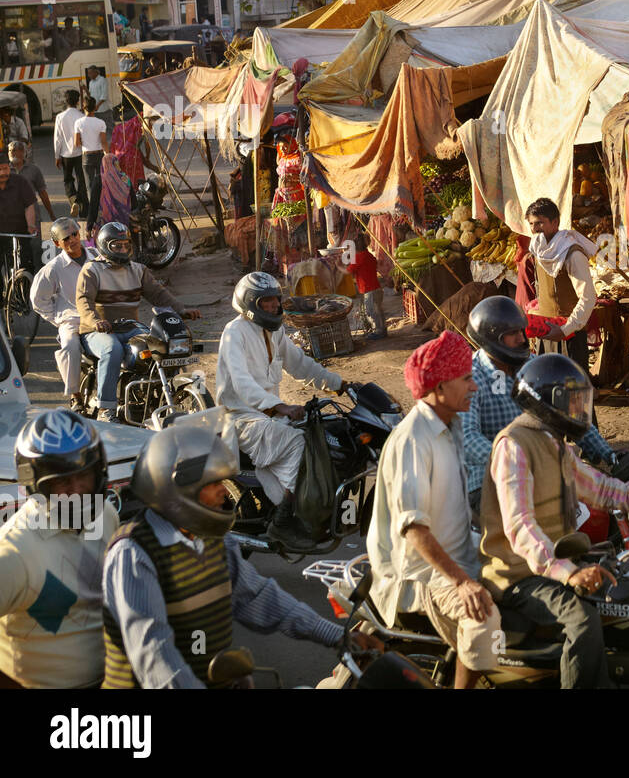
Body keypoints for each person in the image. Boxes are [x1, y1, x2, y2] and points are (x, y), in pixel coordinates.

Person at [479, 353, 629, 688]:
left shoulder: (555, 444)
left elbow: (602, 488)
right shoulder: (514, 446)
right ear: (547, 402)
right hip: (518, 574)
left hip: (554, 561)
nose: (578, 410)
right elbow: (520, 527)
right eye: (572, 401)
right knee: (582, 619)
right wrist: (569, 573)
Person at [101, 424, 368, 688]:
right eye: (213, 483)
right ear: (177, 491)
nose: (224, 492)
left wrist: (340, 636)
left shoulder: (212, 538)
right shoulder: (134, 553)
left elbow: (258, 597)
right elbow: (154, 656)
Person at [368, 332, 501, 689]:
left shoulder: (449, 426)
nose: (474, 387)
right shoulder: (414, 438)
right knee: (483, 616)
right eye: (467, 379)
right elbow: (414, 531)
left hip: (456, 552)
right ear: (439, 388)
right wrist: (462, 582)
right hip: (419, 573)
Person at [215, 272, 357, 552]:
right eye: (265, 302)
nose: (272, 307)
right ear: (250, 304)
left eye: (275, 301)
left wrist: (341, 384)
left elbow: (300, 365)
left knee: (325, 433)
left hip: (272, 415)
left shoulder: (276, 331)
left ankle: (315, 507)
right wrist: (279, 406)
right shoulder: (235, 332)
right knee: (297, 444)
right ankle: (283, 520)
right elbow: (242, 383)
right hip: (242, 418)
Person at [463, 296, 629, 515]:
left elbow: (570, 415)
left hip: (540, 472)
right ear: (491, 339)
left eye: (522, 331)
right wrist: (515, 461)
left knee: (599, 515)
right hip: (489, 483)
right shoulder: (470, 377)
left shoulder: (532, 365)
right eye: (513, 334)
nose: (522, 338)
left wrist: (609, 455)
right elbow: (467, 437)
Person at [0, 410, 119, 688]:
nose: (77, 490)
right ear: (35, 484)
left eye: (84, 476)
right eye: (62, 482)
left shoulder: (106, 515)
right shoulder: (14, 552)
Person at [76, 222, 198, 422]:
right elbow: (83, 301)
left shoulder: (138, 270)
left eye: (126, 245)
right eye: (117, 246)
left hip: (131, 327)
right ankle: (107, 410)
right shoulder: (92, 270)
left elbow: (159, 294)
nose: (123, 250)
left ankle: (156, 396)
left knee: (161, 344)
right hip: (97, 331)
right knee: (112, 349)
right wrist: (96, 321)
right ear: (104, 246)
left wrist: (182, 309)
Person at [31, 218, 97, 411]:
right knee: (69, 347)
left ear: (80, 233)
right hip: (72, 320)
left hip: (100, 316)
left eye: (75, 234)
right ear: (57, 243)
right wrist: (58, 319)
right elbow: (38, 300)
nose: (72, 240)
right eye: (66, 238)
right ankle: (76, 396)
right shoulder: (54, 268)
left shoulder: (97, 257)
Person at [525, 197, 597, 373]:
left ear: (555, 222)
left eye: (540, 223)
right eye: (532, 224)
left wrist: (565, 329)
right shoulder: (538, 249)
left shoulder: (572, 253)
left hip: (569, 334)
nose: (535, 229)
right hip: (547, 331)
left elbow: (588, 297)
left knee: (573, 395)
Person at [73, 96, 107, 229]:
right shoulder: (101, 122)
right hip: (99, 155)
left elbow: (76, 143)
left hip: (86, 157)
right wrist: (108, 155)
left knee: (89, 186)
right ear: (95, 107)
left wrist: (85, 142)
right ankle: (102, 208)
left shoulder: (78, 123)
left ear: (83, 107)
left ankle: (93, 214)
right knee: (101, 183)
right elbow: (104, 142)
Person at [0, 157, 38, 275]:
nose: (3, 173)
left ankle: (26, 288)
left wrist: (31, 225)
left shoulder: (20, 181)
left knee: (26, 265)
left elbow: (29, 206)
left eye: (5, 169)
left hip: (19, 233)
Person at [346, 231, 386, 340]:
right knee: (378, 310)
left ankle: (378, 331)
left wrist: (338, 265)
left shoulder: (359, 257)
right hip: (376, 288)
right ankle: (382, 330)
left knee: (371, 311)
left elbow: (348, 271)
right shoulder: (367, 255)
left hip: (370, 290)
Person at [54, 90, 87, 217]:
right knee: (82, 181)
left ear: (65, 101)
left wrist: (57, 156)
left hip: (65, 155)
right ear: (78, 101)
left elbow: (58, 139)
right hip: (80, 154)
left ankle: (74, 200)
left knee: (68, 180)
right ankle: (83, 210)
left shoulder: (60, 117)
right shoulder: (81, 116)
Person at [8, 140, 55, 223]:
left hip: (33, 217)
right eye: (9, 150)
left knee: (34, 235)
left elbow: (43, 193)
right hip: (12, 219)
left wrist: (51, 213)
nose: (11, 153)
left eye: (14, 150)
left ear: (22, 152)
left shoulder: (34, 170)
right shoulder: (4, 171)